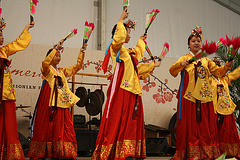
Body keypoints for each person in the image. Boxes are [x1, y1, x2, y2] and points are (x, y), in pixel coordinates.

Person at [91, 8, 160, 160]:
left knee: (131, 121)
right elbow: (119, 39)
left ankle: (128, 151)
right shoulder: (117, 49)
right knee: (120, 120)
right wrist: (121, 20)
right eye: (127, 32)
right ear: (119, 32)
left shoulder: (128, 52)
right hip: (122, 89)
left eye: (129, 32)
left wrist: (142, 42)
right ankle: (117, 151)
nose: (129, 35)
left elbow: (138, 59)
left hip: (133, 90)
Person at [169, 26, 234, 159]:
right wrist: (181, 65)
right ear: (188, 44)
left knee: (205, 126)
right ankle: (190, 152)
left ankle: (205, 151)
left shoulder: (206, 60)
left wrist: (227, 66)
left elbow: (219, 73)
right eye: (193, 41)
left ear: (201, 44)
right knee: (191, 125)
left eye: (198, 40)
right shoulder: (184, 58)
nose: (196, 43)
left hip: (205, 97)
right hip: (189, 97)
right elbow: (172, 71)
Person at [28, 39, 87, 159]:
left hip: (63, 104)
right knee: (50, 127)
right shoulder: (47, 70)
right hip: (51, 104)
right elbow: (44, 63)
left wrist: (82, 52)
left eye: (59, 55)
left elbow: (77, 67)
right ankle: (49, 151)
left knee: (64, 127)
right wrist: (55, 48)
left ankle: (63, 152)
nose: (58, 57)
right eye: (56, 55)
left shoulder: (62, 71)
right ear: (50, 56)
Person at [0, 17, 34, 159]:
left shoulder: (4, 51)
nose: (2, 38)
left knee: (7, 126)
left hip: (6, 95)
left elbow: (18, 44)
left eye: (2, 34)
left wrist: (26, 28)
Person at [210, 58, 240, 158]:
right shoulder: (209, 81)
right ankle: (216, 152)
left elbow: (235, 73)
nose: (218, 69)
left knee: (228, 133)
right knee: (215, 133)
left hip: (227, 110)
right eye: (215, 67)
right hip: (215, 110)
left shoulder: (225, 79)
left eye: (219, 66)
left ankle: (229, 152)